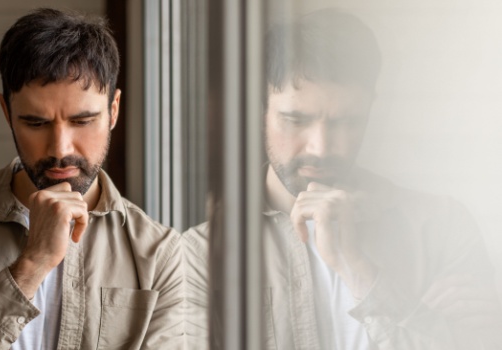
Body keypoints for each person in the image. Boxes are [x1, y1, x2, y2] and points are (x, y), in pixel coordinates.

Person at [0, 8, 201, 350]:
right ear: (7, 114)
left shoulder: (161, 254)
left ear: (113, 111)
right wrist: (32, 265)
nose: (60, 149)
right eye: (35, 123)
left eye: (82, 121)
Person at [184, 8, 502, 350]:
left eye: (347, 122)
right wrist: (425, 322)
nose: (320, 147)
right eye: (295, 119)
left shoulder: (441, 228)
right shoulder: (201, 255)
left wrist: (358, 270)